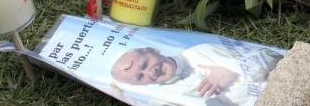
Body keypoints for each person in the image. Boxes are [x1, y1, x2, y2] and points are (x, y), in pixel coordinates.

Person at [111, 45, 280, 105]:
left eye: (145, 64)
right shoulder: (165, 96)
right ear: (139, 85)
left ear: (153, 50)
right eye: (140, 77)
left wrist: (231, 71)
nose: (150, 72)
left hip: (280, 86)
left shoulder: (198, 52)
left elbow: (272, 57)